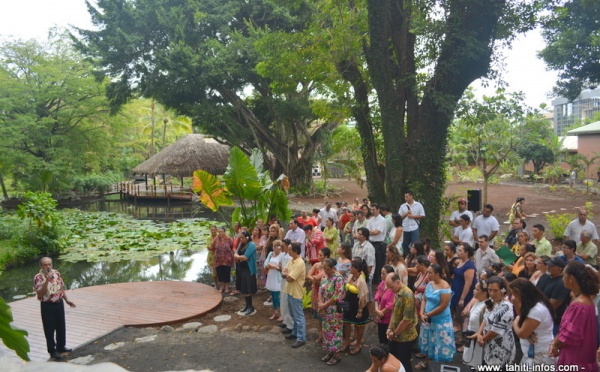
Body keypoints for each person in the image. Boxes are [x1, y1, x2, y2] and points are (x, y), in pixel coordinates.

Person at [549, 261, 600, 371]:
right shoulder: (584, 299)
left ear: (571, 278)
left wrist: (555, 345)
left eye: (564, 275)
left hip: (575, 357)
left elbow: (567, 336)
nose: (562, 278)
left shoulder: (579, 305)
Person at [34, 257, 76, 360]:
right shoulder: (38, 277)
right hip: (47, 306)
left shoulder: (56, 273)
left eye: (49, 264)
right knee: (49, 328)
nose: (48, 267)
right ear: (41, 266)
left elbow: (60, 287)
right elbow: (40, 294)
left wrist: (67, 300)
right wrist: (47, 280)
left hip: (59, 303)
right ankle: (52, 351)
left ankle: (61, 347)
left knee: (61, 326)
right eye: (45, 265)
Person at [417, 263, 455, 369]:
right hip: (428, 319)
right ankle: (426, 362)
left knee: (440, 344)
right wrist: (421, 313)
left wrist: (427, 314)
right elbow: (424, 298)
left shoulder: (445, 287)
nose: (427, 274)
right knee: (430, 342)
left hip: (440, 321)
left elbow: (443, 306)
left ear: (437, 274)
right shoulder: (430, 283)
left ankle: (440, 367)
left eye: (430, 273)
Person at [508, 278, 555, 366]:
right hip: (530, 354)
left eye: (512, 293)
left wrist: (514, 322)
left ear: (519, 293)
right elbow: (520, 316)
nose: (511, 296)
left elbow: (522, 334)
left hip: (539, 355)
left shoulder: (536, 310)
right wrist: (516, 304)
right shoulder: (531, 304)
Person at [475, 276, 515, 366]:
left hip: (501, 349)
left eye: (495, 290)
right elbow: (485, 319)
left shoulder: (506, 307)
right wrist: (479, 333)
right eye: (490, 290)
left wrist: (482, 339)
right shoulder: (492, 302)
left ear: (503, 290)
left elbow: (495, 331)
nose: (492, 293)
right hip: (489, 346)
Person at [386, 272, 418, 372]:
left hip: (405, 337)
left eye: (391, 287)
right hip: (395, 335)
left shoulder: (407, 295)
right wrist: (389, 328)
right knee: (392, 359)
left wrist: (394, 334)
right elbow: (394, 313)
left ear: (398, 282)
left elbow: (407, 320)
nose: (390, 290)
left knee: (404, 362)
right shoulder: (397, 293)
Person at [317, 258, 346, 366]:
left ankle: (337, 354)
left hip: (334, 310)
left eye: (326, 268)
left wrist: (324, 305)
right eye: (323, 268)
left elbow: (337, 296)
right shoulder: (325, 276)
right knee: (326, 330)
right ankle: (330, 350)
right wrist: (321, 305)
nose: (325, 270)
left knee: (335, 331)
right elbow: (320, 291)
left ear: (333, 267)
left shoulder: (338, 278)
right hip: (325, 308)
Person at [342, 258, 371, 355]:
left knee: (358, 326)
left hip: (358, 306)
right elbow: (346, 289)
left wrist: (360, 311)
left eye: (352, 267)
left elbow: (363, 298)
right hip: (348, 304)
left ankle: (358, 344)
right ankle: (346, 342)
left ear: (357, 269)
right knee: (346, 323)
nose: (350, 268)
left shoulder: (361, 281)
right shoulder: (351, 276)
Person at [537, 257, 571, 335]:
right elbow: (535, 293)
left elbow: (553, 305)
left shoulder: (561, 283)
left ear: (559, 269)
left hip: (552, 321)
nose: (548, 267)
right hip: (539, 316)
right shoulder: (545, 277)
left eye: (551, 266)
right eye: (548, 265)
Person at [281, 242, 307, 348]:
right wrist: (286, 274)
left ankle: (301, 338)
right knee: (293, 315)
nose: (288, 250)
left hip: (296, 293)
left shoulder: (300, 263)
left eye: (290, 249)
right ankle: (295, 333)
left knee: (299, 316)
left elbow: (290, 278)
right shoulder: (292, 260)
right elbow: (284, 272)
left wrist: (286, 274)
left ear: (295, 251)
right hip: (289, 291)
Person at [462, 281, 489, 368]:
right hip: (470, 337)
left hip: (478, 341)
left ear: (484, 293)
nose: (473, 291)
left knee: (476, 364)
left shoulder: (486, 307)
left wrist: (479, 335)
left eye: (476, 289)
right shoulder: (477, 302)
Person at [451, 244, 476, 332]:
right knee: (456, 315)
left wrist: (462, 298)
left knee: (462, 316)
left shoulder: (469, 266)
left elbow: (468, 284)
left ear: (466, 253)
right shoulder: (459, 262)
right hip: (456, 291)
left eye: (460, 250)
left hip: (464, 294)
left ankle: (463, 336)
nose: (458, 252)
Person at [307, 247, 330, 343]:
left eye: (321, 255)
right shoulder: (316, 264)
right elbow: (309, 275)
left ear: (326, 256)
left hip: (324, 293)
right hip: (316, 292)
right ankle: (322, 334)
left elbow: (316, 277)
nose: (318, 256)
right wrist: (314, 280)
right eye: (318, 254)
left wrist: (314, 279)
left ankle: (327, 335)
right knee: (319, 317)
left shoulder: (327, 267)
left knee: (325, 315)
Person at [234, 231, 258, 316]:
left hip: (248, 269)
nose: (241, 239)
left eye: (242, 237)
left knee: (248, 288)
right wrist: (238, 256)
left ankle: (250, 306)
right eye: (240, 238)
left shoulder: (251, 245)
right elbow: (236, 252)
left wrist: (238, 257)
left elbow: (245, 257)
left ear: (247, 237)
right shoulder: (241, 244)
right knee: (243, 288)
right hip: (241, 268)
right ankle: (247, 305)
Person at [374, 266, 396, 345]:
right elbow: (376, 297)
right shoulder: (382, 284)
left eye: (383, 274)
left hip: (388, 318)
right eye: (381, 273)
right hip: (381, 316)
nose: (381, 275)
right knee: (381, 338)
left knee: (387, 340)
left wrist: (380, 313)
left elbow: (390, 305)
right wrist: (377, 310)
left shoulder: (392, 288)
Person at [367, 203, 388, 286]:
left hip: (379, 244)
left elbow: (377, 232)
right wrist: (371, 232)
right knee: (372, 261)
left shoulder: (382, 220)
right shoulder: (371, 220)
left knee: (379, 262)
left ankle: (380, 281)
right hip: (371, 242)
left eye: (374, 209)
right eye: (371, 209)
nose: (372, 211)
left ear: (378, 210)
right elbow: (367, 231)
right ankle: (374, 279)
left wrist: (371, 232)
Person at [211, 227, 234, 294]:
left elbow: (232, 247)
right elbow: (213, 247)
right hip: (218, 259)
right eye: (219, 232)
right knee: (219, 272)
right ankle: (221, 286)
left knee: (226, 272)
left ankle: (226, 286)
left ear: (224, 232)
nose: (220, 233)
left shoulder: (229, 239)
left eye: (221, 231)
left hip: (227, 258)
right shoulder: (216, 239)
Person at [278, 239, 294, 333]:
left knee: (287, 303)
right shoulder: (283, 255)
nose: (281, 248)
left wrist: (283, 271)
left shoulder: (289, 257)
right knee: (283, 300)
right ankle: (285, 320)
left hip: (287, 281)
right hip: (282, 280)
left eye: (283, 246)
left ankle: (290, 324)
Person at [265, 239, 283, 321]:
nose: (274, 248)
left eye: (275, 246)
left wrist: (273, 266)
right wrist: (273, 266)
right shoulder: (271, 254)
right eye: (273, 246)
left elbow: (280, 267)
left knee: (277, 296)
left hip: (277, 277)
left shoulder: (282, 255)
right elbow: (266, 263)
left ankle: (282, 312)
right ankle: (275, 311)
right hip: (271, 276)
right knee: (273, 295)